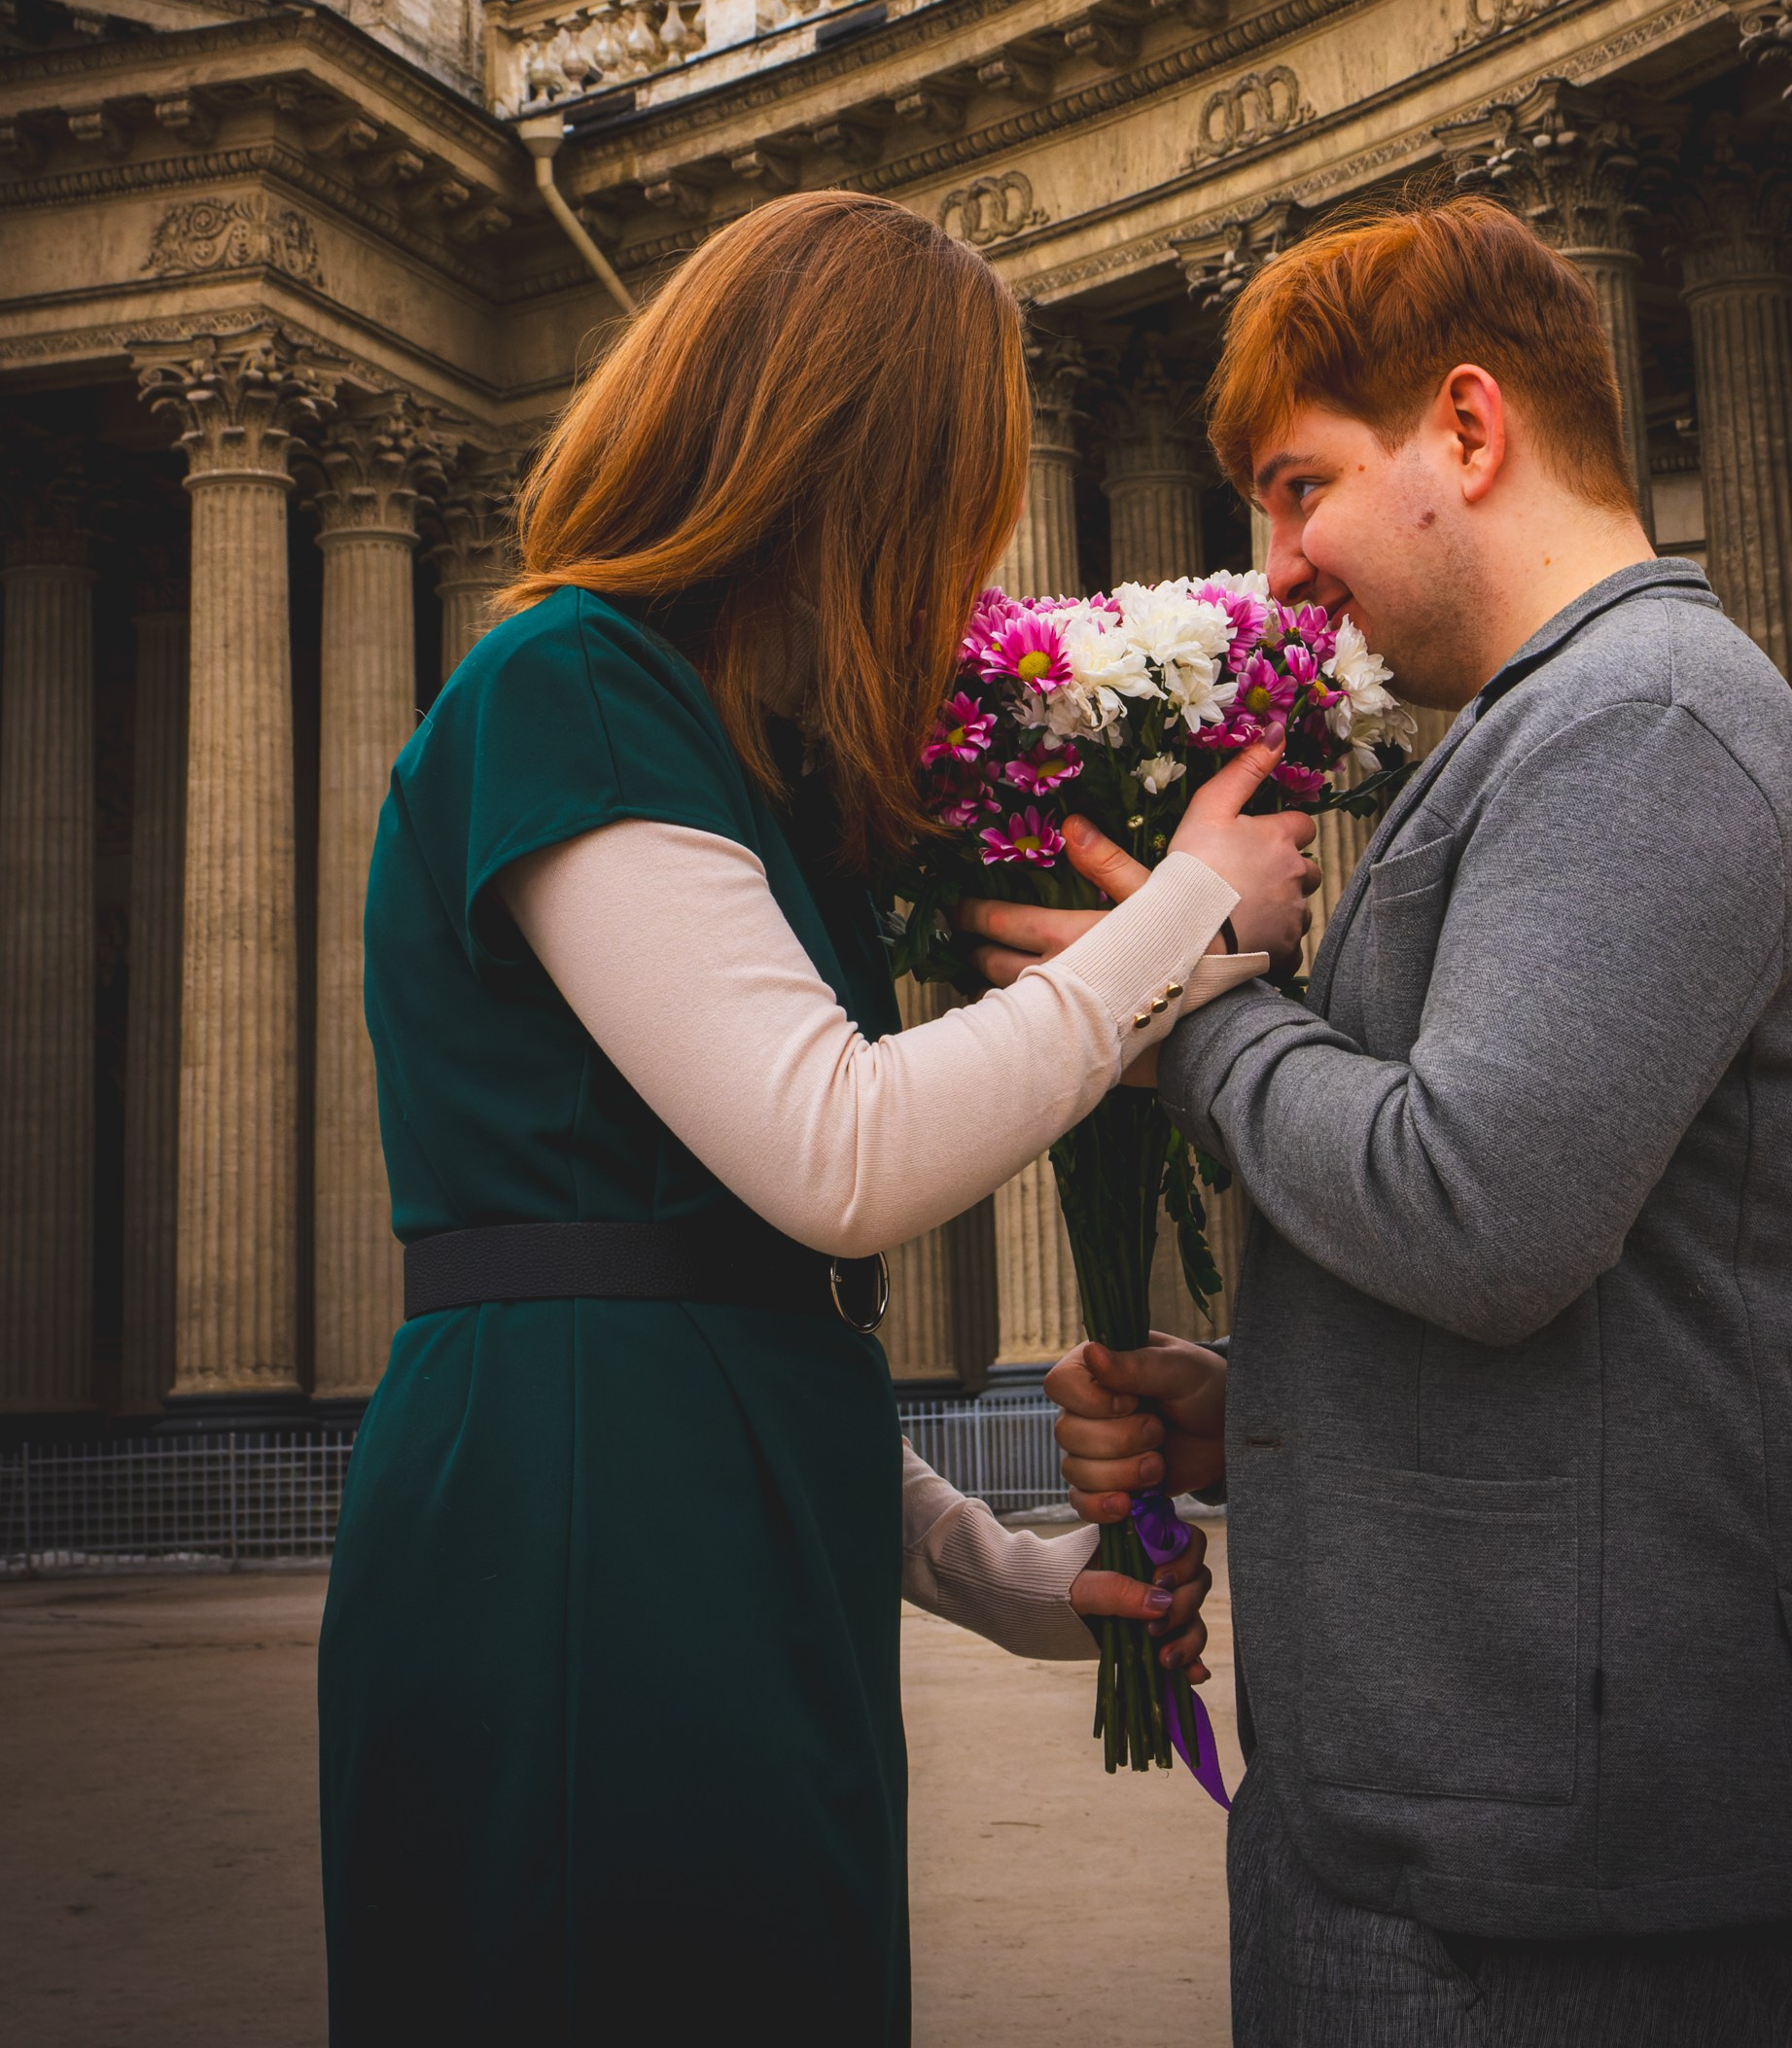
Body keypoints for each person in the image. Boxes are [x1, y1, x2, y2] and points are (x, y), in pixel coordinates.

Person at [317, 191, 1319, 2046]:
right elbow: (838, 1158)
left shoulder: (731, 752)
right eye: (951, 497)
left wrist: (1008, 1579)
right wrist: (1187, 912)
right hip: (576, 1529)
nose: (965, 560)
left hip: (698, 1502)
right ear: (844, 471)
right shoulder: (571, 681)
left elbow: (745, 1308)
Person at [966, 196, 1792, 2047]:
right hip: (1493, 1833)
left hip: (1590, 1891)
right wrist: (1265, 1404)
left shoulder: (1640, 722)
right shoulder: (1546, 727)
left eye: (1300, 487)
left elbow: (1481, 1213)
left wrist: (1183, 1002)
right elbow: (1575, 1277)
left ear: (1469, 431)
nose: (1279, 569)